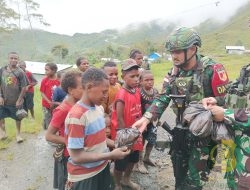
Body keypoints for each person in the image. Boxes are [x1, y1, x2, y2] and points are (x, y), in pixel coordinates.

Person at [132, 27, 229, 189]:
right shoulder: (174, 72)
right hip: (181, 131)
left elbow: (225, 103)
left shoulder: (212, 70)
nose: (173, 56)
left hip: (204, 135)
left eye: (177, 51)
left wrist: (213, 105)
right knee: (179, 173)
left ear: (192, 49)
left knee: (195, 179)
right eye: (172, 52)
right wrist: (147, 117)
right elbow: (163, 97)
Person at [64, 67, 130, 190]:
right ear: (88, 87)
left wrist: (117, 144)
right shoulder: (77, 117)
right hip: (85, 176)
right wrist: (110, 155)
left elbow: (100, 139)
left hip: (102, 168)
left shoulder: (98, 109)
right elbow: (77, 157)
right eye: (103, 92)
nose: (106, 96)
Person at [45, 70, 83, 190]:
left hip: (78, 153)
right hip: (68, 156)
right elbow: (49, 136)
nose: (87, 91)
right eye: (83, 87)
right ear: (71, 90)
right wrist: (72, 141)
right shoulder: (63, 109)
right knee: (67, 183)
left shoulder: (79, 105)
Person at [111, 59, 142, 190]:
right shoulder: (121, 95)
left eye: (137, 76)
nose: (136, 79)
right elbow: (119, 119)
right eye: (132, 76)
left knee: (133, 159)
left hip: (135, 133)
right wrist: (127, 140)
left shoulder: (136, 91)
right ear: (123, 76)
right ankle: (117, 183)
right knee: (121, 163)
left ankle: (126, 179)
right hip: (125, 136)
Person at [133, 70, 159, 174]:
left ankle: (147, 157)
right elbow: (137, 108)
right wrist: (142, 121)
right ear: (141, 81)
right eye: (146, 80)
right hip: (142, 122)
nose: (149, 82)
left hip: (153, 122)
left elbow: (158, 106)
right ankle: (139, 162)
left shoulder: (156, 91)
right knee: (141, 142)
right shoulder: (139, 92)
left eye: (151, 79)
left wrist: (157, 120)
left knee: (152, 140)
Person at [0, 52, 28, 143]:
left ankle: (18, 135)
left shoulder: (20, 72)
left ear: (18, 60)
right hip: (4, 100)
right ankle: (3, 133)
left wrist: (19, 100)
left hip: (15, 101)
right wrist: (0, 96)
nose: (13, 60)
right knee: (1, 116)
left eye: (15, 58)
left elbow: (24, 88)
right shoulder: (2, 70)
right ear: (8, 59)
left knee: (18, 118)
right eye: (11, 58)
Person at [40, 63, 60, 130]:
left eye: (47, 70)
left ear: (54, 71)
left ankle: (55, 132)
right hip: (46, 105)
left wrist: (56, 103)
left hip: (57, 105)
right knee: (48, 118)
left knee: (56, 119)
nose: (45, 72)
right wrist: (49, 102)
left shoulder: (59, 80)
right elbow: (42, 92)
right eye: (45, 70)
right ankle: (49, 134)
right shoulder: (44, 80)